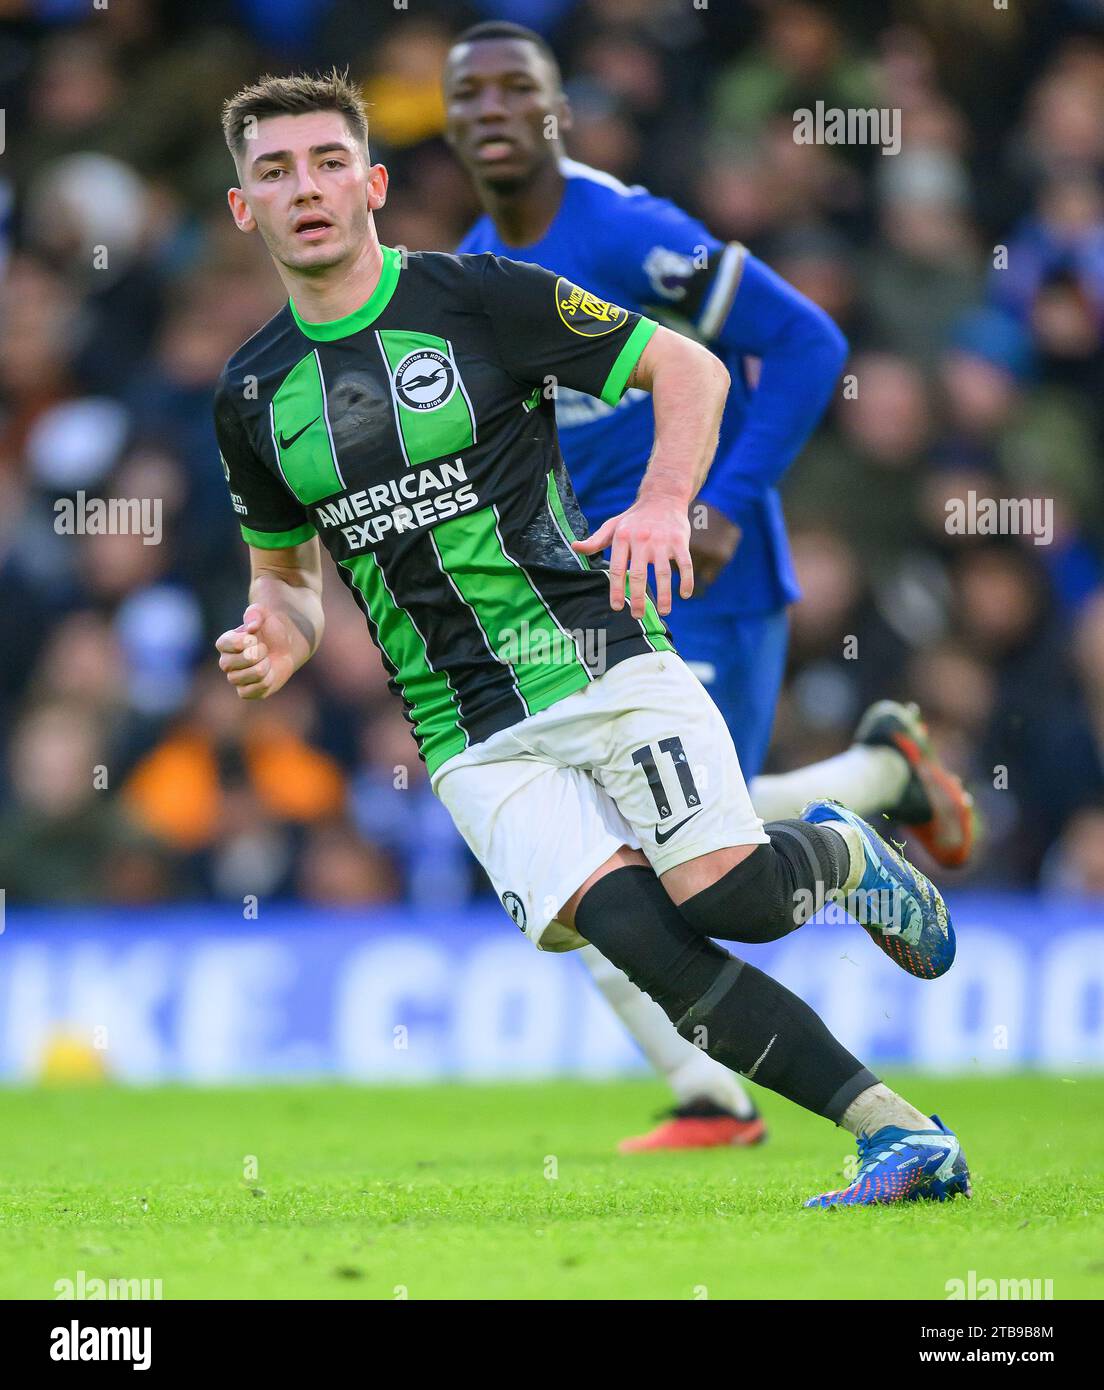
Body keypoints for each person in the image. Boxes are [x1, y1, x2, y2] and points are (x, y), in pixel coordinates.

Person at [212, 70, 970, 1207]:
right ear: (244, 208)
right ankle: (900, 1135)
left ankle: (848, 855)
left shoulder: (483, 297)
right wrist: (278, 630)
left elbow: (691, 365)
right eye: (273, 171)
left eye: (327, 162)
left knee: (731, 900)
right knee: (651, 956)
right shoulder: (250, 396)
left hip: (597, 653)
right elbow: (290, 581)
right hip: (464, 734)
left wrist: (668, 502)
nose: (304, 188)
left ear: (372, 183)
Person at [443, 21, 975, 1149]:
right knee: (612, 852)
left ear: (556, 113)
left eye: (514, 88)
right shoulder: (474, 268)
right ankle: (885, 779)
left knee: (690, 851)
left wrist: (721, 505)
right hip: (594, 592)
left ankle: (865, 816)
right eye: (468, 93)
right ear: (446, 124)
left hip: (708, 576)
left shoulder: (628, 229)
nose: (490, 107)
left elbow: (811, 342)